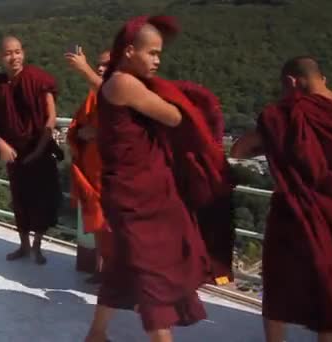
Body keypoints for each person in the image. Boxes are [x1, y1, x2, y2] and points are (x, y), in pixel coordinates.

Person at [85, 15, 231, 342]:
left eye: (159, 54)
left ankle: (96, 334)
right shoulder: (124, 83)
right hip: (137, 195)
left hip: (145, 189)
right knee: (155, 277)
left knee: (124, 265)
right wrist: (183, 99)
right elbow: (175, 116)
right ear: (128, 51)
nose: (156, 61)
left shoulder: (123, 82)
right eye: (151, 53)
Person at [231, 56, 332, 342]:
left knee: (278, 281)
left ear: (291, 82)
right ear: (322, 78)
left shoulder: (283, 114)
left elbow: (239, 150)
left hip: (300, 212)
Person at [0, 36, 63, 265]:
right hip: (14, 153)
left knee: (42, 200)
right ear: (1, 57)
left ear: (23, 53)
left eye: (17, 52)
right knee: (20, 199)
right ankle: (24, 246)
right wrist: (1, 143)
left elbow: (51, 117)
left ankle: (37, 246)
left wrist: (39, 151)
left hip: (39, 148)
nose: (14, 57)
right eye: (8, 53)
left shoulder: (38, 79)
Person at [65, 48, 112, 283]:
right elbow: (76, 124)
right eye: (98, 64)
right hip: (94, 172)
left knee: (116, 229)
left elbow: (128, 131)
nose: (101, 68)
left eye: (107, 64)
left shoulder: (129, 94)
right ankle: (101, 271)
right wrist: (80, 133)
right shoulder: (93, 97)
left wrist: (99, 133)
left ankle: (119, 278)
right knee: (99, 226)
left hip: (117, 176)